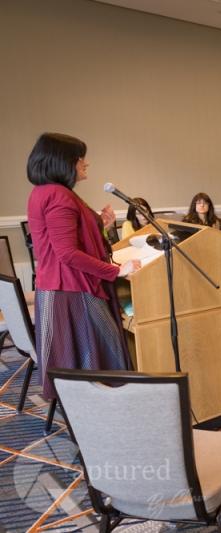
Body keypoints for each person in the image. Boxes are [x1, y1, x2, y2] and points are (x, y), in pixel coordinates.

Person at [26, 133, 141, 400]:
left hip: (61, 286)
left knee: (88, 355)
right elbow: (67, 253)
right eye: (80, 158)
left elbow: (66, 238)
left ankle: (90, 410)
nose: (85, 163)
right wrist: (117, 271)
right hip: (72, 288)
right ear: (64, 161)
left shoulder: (44, 191)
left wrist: (100, 223)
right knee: (103, 350)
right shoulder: (59, 195)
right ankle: (102, 410)